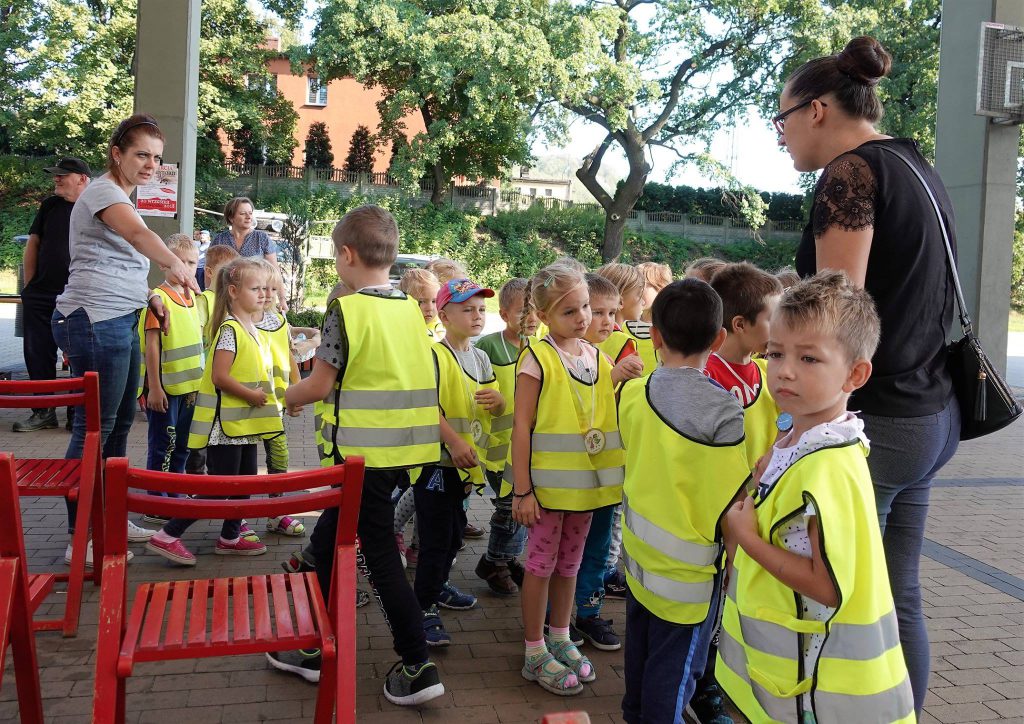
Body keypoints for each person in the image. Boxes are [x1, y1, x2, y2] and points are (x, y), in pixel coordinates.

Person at [779, 36, 960, 714]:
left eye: (781, 119)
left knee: (841, 593)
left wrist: (793, 428)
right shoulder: (915, 166)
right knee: (895, 592)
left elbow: (834, 318)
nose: (780, 136)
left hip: (875, 421)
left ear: (817, 110)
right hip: (929, 414)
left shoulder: (850, 174)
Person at [719, 271, 915, 724]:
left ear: (855, 374)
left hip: (815, 693)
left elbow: (826, 586)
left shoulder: (827, 468)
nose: (785, 370)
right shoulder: (799, 441)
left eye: (809, 358)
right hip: (784, 677)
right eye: (776, 353)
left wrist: (747, 539)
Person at [272, 205, 445, 706]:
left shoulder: (345, 310)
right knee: (330, 534)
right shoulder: (410, 309)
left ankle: (416, 664)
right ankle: (310, 642)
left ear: (346, 255)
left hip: (358, 457)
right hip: (403, 454)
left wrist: (280, 395)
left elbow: (319, 385)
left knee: (379, 554)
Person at [52, 114, 198, 564]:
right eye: (141, 155)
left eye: (156, 157)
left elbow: (120, 260)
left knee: (116, 427)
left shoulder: (120, 195)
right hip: (94, 319)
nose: (151, 164)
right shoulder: (103, 192)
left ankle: (110, 519)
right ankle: (81, 537)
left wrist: (150, 297)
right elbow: (137, 235)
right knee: (94, 428)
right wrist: (175, 264)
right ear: (117, 154)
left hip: (119, 316)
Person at [618, 278, 747, 724]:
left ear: (654, 335)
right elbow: (732, 502)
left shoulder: (632, 394)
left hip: (638, 563)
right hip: (689, 582)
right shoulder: (724, 412)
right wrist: (737, 568)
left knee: (640, 656)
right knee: (673, 677)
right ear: (719, 339)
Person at [509, 263, 624, 696]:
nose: (582, 318)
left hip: (584, 492)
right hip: (546, 494)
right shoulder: (537, 359)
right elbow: (522, 427)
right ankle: (534, 649)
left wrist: (621, 378)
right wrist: (523, 490)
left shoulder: (596, 357)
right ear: (543, 316)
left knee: (570, 564)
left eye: (586, 308)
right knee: (540, 566)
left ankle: (560, 636)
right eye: (569, 311)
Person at [146, 257, 278, 565]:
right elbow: (220, 376)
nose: (263, 294)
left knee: (245, 483)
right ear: (233, 291)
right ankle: (167, 535)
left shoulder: (251, 327)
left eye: (266, 288)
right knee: (220, 488)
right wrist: (252, 395)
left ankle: (230, 536)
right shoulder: (231, 329)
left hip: (243, 425)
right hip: (225, 428)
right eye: (255, 288)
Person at [415, 278, 503, 646]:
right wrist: (452, 442)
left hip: (465, 468)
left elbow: (495, 401)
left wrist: (498, 401)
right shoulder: (434, 355)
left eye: (481, 309)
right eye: (467, 309)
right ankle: (422, 608)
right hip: (436, 464)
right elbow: (425, 408)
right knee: (436, 539)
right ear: (445, 315)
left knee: (453, 535)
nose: (477, 315)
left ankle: (438, 587)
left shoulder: (480, 357)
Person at [569, 272, 644, 652]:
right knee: (564, 551)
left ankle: (589, 611)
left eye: (613, 313)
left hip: (604, 475)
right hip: (566, 480)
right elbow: (570, 405)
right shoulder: (553, 356)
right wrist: (611, 377)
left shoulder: (604, 354)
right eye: (598, 312)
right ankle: (552, 620)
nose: (608, 322)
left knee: (598, 548)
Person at [15, 158, 91, 433]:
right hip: (41, 294)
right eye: (55, 175)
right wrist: (30, 288)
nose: (56, 179)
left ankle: (76, 413)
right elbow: (34, 243)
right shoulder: (50, 205)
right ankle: (43, 411)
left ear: (82, 178)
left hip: (79, 295)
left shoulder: (97, 206)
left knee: (78, 353)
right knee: (37, 352)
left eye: (63, 175)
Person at [472, 278, 537, 595]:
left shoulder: (541, 348)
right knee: (507, 506)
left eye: (536, 310)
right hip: (497, 448)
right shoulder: (488, 346)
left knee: (520, 508)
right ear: (504, 314)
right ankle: (494, 561)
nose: (531, 318)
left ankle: (504, 559)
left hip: (528, 447)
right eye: (524, 311)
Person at [706, 262, 784, 469]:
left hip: (768, 484)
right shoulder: (704, 376)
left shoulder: (770, 370)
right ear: (740, 324)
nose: (781, 329)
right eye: (773, 320)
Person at [139, 234, 203, 482]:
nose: (186, 268)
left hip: (191, 389)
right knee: (163, 445)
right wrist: (155, 388)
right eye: (180, 261)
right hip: (166, 391)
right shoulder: (159, 299)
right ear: (163, 263)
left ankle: (176, 490)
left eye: (191, 263)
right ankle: (157, 494)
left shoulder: (193, 297)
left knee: (183, 445)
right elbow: (152, 346)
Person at [255, 261, 304, 537]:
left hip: (274, 407)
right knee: (243, 467)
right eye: (261, 288)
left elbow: (288, 358)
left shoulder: (279, 322)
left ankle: (276, 512)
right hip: (244, 408)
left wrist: (296, 392)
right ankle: (235, 520)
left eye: (273, 289)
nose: (267, 295)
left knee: (279, 457)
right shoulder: (238, 321)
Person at [210, 196, 288, 311]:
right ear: (231, 217)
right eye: (243, 213)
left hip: (258, 300)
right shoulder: (219, 240)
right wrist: (209, 295)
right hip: (227, 300)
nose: (248, 217)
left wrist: (282, 299)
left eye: (250, 213)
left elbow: (275, 271)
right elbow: (210, 270)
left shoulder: (262, 238)